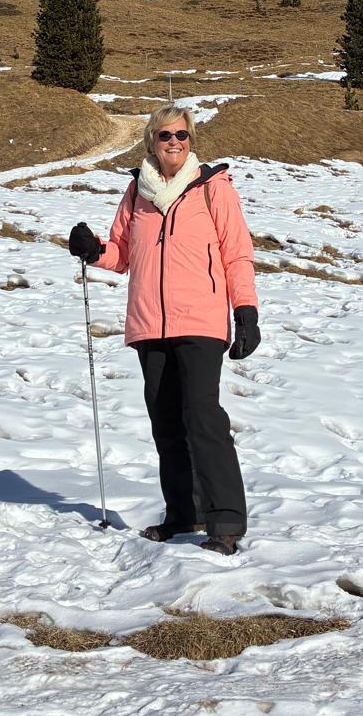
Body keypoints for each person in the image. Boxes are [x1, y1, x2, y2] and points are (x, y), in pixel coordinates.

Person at [68, 105, 260, 555]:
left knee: (203, 416)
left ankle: (225, 521)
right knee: (166, 421)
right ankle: (183, 514)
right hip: (149, 322)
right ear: (151, 141)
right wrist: (92, 250)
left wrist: (245, 311)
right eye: (165, 136)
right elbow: (122, 253)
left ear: (191, 140)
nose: (174, 143)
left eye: (182, 135)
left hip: (201, 319)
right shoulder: (137, 191)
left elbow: (236, 254)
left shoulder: (213, 188)